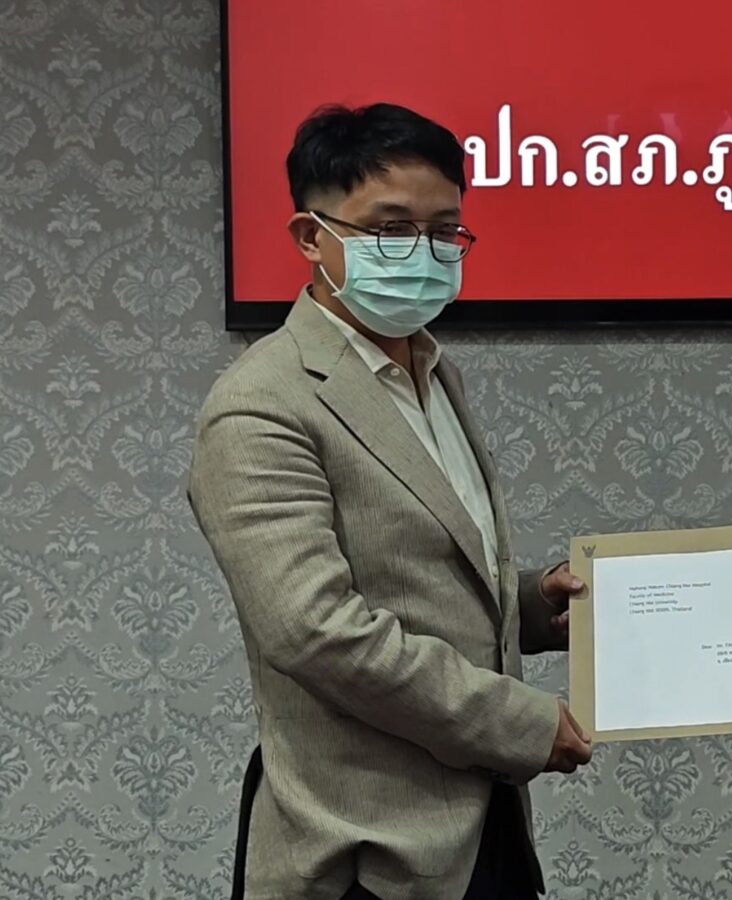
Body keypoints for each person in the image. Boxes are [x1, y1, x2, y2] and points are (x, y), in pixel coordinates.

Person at [188, 103, 592, 900]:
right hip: (360, 852)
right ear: (311, 237)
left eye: (444, 232)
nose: (424, 253)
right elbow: (317, 631)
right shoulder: (261, 403)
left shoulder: (434, 373)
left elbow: (417, 577)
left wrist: (533, 607)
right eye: (392, 228)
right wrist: (518, 722)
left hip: (483, 835)